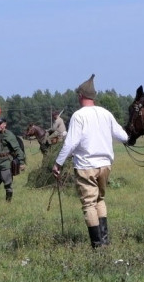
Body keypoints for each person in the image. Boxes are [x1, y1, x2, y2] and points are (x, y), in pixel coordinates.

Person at [52, 74, 129, 247]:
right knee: (100, 199)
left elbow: (70, 142)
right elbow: (123, 136)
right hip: (105, 165)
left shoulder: (79, 116)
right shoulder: (106, 113)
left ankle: (97, 246)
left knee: (88, 204)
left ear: (80, 96)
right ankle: (105, 240)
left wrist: (58, 163)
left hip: (86, 166)